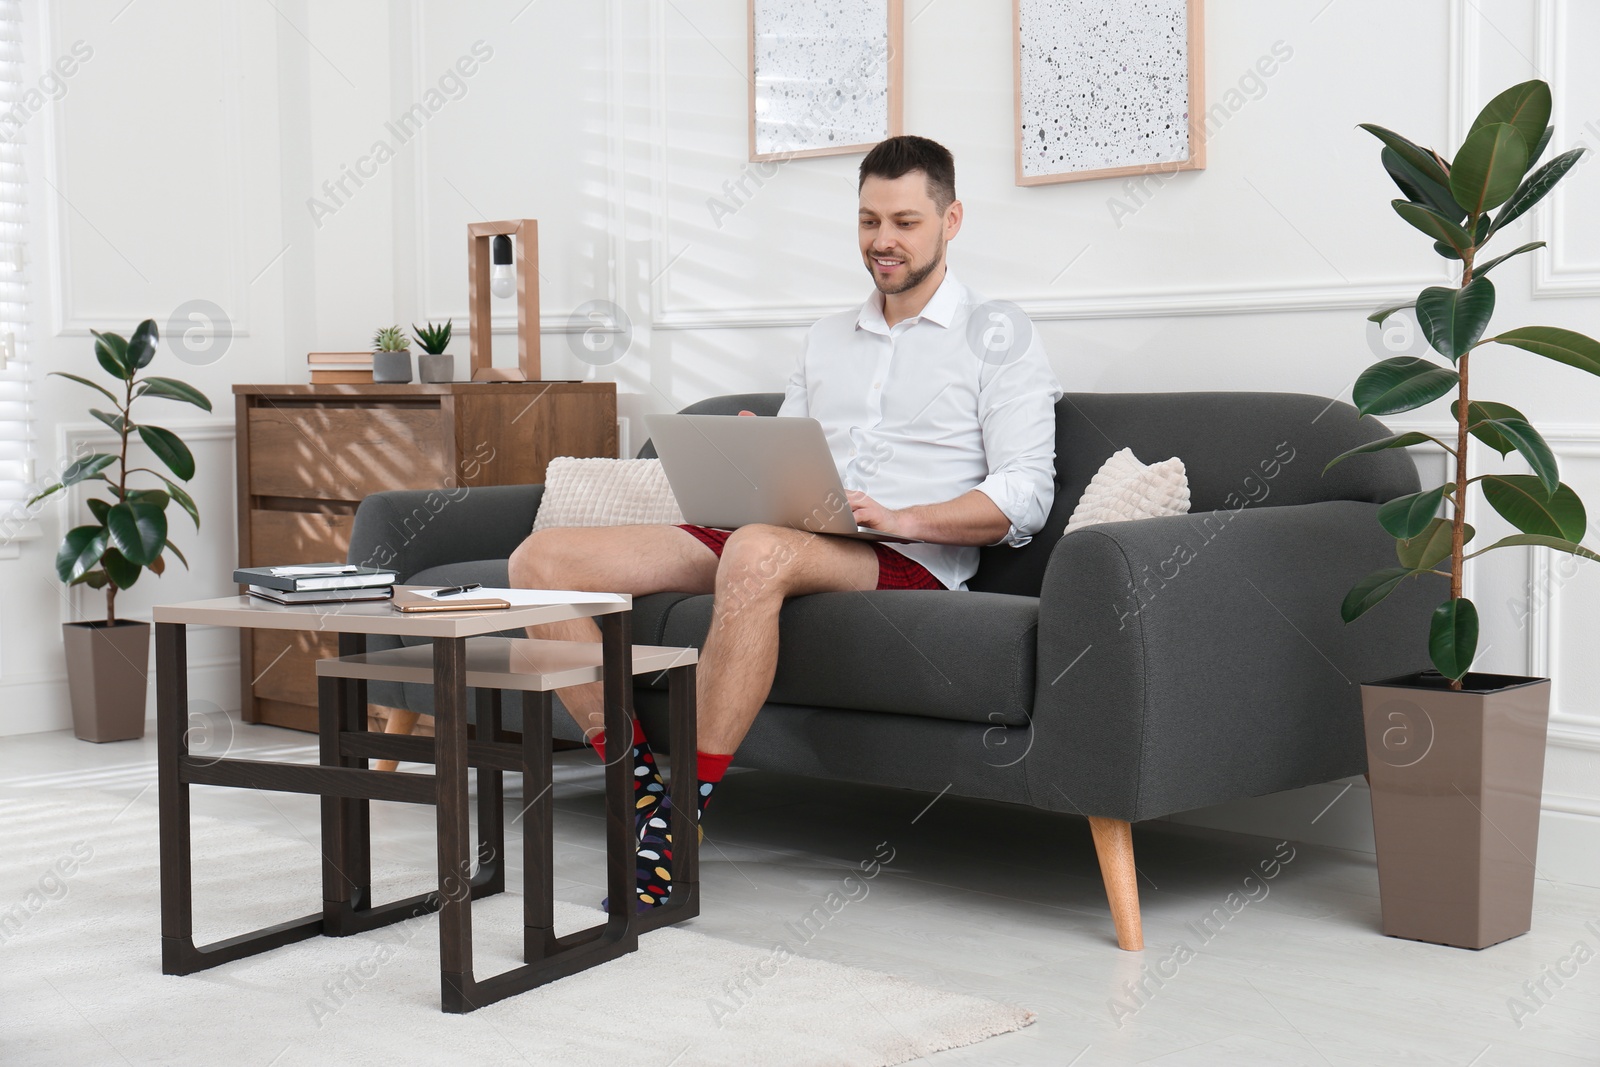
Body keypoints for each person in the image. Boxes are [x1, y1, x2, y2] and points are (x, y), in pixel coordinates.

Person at [508, 134, 1062, 908]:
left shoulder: (1000, 339)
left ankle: (681, 820)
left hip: (903, 554)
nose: (883, 241)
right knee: (539, 563)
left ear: (951, 219)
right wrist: (748, 459)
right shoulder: (825, 336)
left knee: (760, 551)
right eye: (869, 220)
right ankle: (637, 791)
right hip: (790, 533)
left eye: (904, 221)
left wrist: (902, 514)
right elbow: (794, 467)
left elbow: (1024, 494)